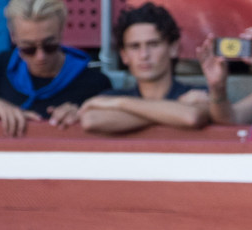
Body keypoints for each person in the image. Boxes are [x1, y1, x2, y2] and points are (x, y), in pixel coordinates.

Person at [0, 0, 110, 136]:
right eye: (28, 48)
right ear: (13, 36)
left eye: (50, 46)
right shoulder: (1, 67)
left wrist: (85, 113)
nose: (40, 57)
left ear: (62, 30)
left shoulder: (92, 80)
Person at [79, 3, 209, 134]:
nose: (144, 55)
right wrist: (173, 112)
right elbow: (91, 120)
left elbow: (191, 116)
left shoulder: (198, 94)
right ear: (124, 55)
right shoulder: (111, 96)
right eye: (135, 46)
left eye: (153, 44)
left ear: (173, 48)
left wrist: (121, 104)